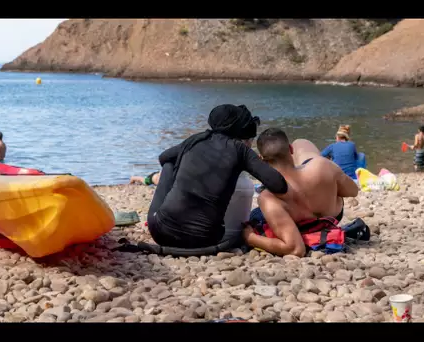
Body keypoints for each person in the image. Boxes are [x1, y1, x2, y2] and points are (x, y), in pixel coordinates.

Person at [147, 104, 288, 249]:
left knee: (169, 165)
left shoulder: (195, 140)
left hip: (161, 234)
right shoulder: (240, 150)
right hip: (206, 239)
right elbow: (280, 185)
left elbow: (164, 158)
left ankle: (166, 214)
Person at [242, 128, 359, 257]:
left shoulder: (268, 197)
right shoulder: (323, 165)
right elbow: (353, 191)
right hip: (332, 217)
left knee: (256, 214)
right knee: (302, 144)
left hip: (297, 225)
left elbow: (295, 249)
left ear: (261, 160)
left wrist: (250, 238)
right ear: (291, 150)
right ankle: (299, 169)